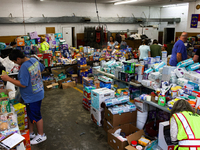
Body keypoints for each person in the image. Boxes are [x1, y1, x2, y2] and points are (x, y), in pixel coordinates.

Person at [1, 50, 47, 145]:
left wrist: (8, 79)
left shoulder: (24, 67)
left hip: (33, 96)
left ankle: (41, 135)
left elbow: (23, 84)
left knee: (36, 115)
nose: (15, 63)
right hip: (37, 92)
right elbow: (42, 68)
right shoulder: (33, 60)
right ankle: (31, 133)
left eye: (15, 61)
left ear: (18, 59)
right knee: (30, 114)